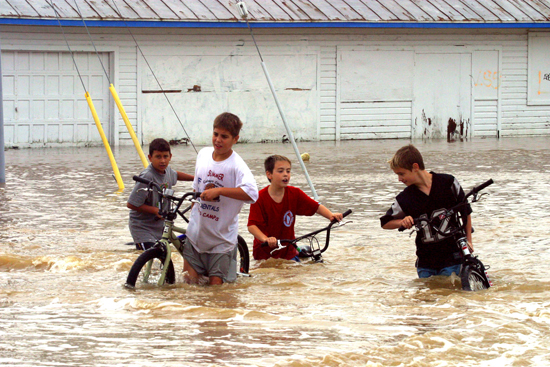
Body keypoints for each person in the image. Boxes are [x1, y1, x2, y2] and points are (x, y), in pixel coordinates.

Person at [183, 112, 258, 285]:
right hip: (196, 236)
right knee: (188, 288)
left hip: (221, 240)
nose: (218, 140)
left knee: (217, 293)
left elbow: (253, 193)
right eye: (215, 134)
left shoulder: (237, 165)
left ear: (235, 139)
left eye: (224, 136)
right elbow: (196, 186)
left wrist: (220, 191)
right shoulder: (202, 154)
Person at [379, 144, 473, 279]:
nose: (399, 179)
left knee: (451, 297)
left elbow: (466, 212)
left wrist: (469, 241)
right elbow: (385, 223)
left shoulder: (448, 183)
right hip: (425, 264)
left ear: (415, 167)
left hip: (453, 259)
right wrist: (402, 222)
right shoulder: (405, 198)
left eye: (401, 173)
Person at [247, 155, 343, 261]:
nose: (285, 174)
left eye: (288, 171)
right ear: (269, 174)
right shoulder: (259, 198)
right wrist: (266, 239)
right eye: (280, 171)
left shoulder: (295, 193)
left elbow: (316, 207)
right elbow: (252, 226)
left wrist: (330, 215)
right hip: (265, 254)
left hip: (289, 251)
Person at [127, 138, 194, 250]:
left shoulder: (167, 171)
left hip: (160, 226)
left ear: (170, 157)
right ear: (150, 158)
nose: (162, 161)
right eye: (158, 157)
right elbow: (131, 204)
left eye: (165, 156)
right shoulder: (147, 176)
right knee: (153, 258)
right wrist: (155, 210)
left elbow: (176, 175)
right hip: (143, 227)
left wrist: (196, 178)